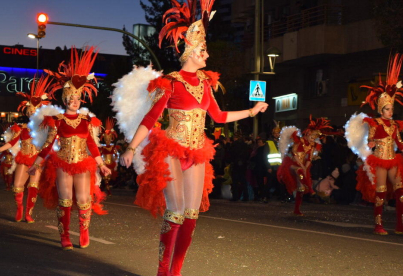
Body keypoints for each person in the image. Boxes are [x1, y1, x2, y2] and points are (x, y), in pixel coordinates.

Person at [113, 1, 268, 275]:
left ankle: (176, 270)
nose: (207, 55)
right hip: (172, 150)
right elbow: (150, 119)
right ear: (190, 52)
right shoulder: (170, 83)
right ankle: (163, 270)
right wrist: (131, 147)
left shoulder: (206, 85)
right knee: (174, 212)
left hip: (197, 153)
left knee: (191, 216)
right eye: (203, 50)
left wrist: (251, 111)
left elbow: (219, 117)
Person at [27, 46, 111, 250]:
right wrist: (37, 164)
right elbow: (48, 145)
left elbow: (91, 143)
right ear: (65, 99)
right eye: (71, 98)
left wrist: (101, 165)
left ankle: (84, 232)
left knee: (84, 200)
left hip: (82, 163)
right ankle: (64, 235)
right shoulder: (57, 120)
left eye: (78, 98)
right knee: (65, 201)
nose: (75, 101)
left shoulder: (86, 120)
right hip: (63, 162)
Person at [345, 53, 403, 235]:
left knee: (401, 192)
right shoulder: (374, 123)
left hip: (393, 160)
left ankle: (400, 225)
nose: (390, 111)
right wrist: (369, 144)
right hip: (379, 160)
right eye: (387, 108)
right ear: (381, 109)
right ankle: (378, 225)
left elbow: (399, 142)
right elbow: (369, 140)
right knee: (381, 193)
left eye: (392, 108)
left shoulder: (395, 124)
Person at [0, 75, 51, 222]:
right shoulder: (22, 129)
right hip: (24, 158)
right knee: (17, 186)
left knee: (33, 185)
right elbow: (12, 142)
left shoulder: (46, 129)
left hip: (37, 160)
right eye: (30, 112)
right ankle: (19, 208)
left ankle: (29, 213)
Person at [277, 116, 332, 216]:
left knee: (301, 189)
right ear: (307, 134)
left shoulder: (312, 145)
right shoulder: (298, 141)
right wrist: (302, 166)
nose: (313, 139)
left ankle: (296, 210)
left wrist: (305, 167)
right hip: (291, 163)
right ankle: (311, 190)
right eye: (312, 137)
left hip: (302, 166)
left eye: (315, 138)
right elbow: (294, 154)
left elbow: (309, 159)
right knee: (299, 171)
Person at [100, 117, 119, 196]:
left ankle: (104, 188)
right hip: (104, 164)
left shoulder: (114, 147)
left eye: (109, 138)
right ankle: (108, 191)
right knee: (105, 178)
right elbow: (100, 156)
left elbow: (116, 155)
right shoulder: (102, 148)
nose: (107, 140)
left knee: (109, 178)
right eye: (106, 138)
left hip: (111, 163)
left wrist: (116, 164)